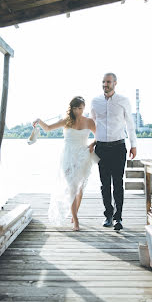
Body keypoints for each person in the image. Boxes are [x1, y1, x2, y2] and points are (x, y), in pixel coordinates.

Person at [33, 96, 99, 231]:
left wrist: (92, 144)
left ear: (84, 108)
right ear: (71, 108)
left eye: (80, 108)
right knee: (72, 188)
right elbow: (48, 128)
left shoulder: (89, 122)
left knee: (80, 188)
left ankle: (74, 214)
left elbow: (99, 136)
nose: (78, 111)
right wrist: (39, 120)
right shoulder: (66, 121)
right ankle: (76, 221)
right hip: (68, 157)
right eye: (75, 108)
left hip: (83, 156)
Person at [90, 73, 137, 230]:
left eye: (108, 82)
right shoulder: (95, 102)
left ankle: (118, 218)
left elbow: (130, 124)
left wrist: (133, 144)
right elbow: (93, 124)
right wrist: (91, 143)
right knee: (104, 184)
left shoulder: (123, 101)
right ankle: (108, 216)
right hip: (101, 148)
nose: (105, 84)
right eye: (103, 81)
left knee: (118, 183)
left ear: (115, 83)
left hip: (118, 147)